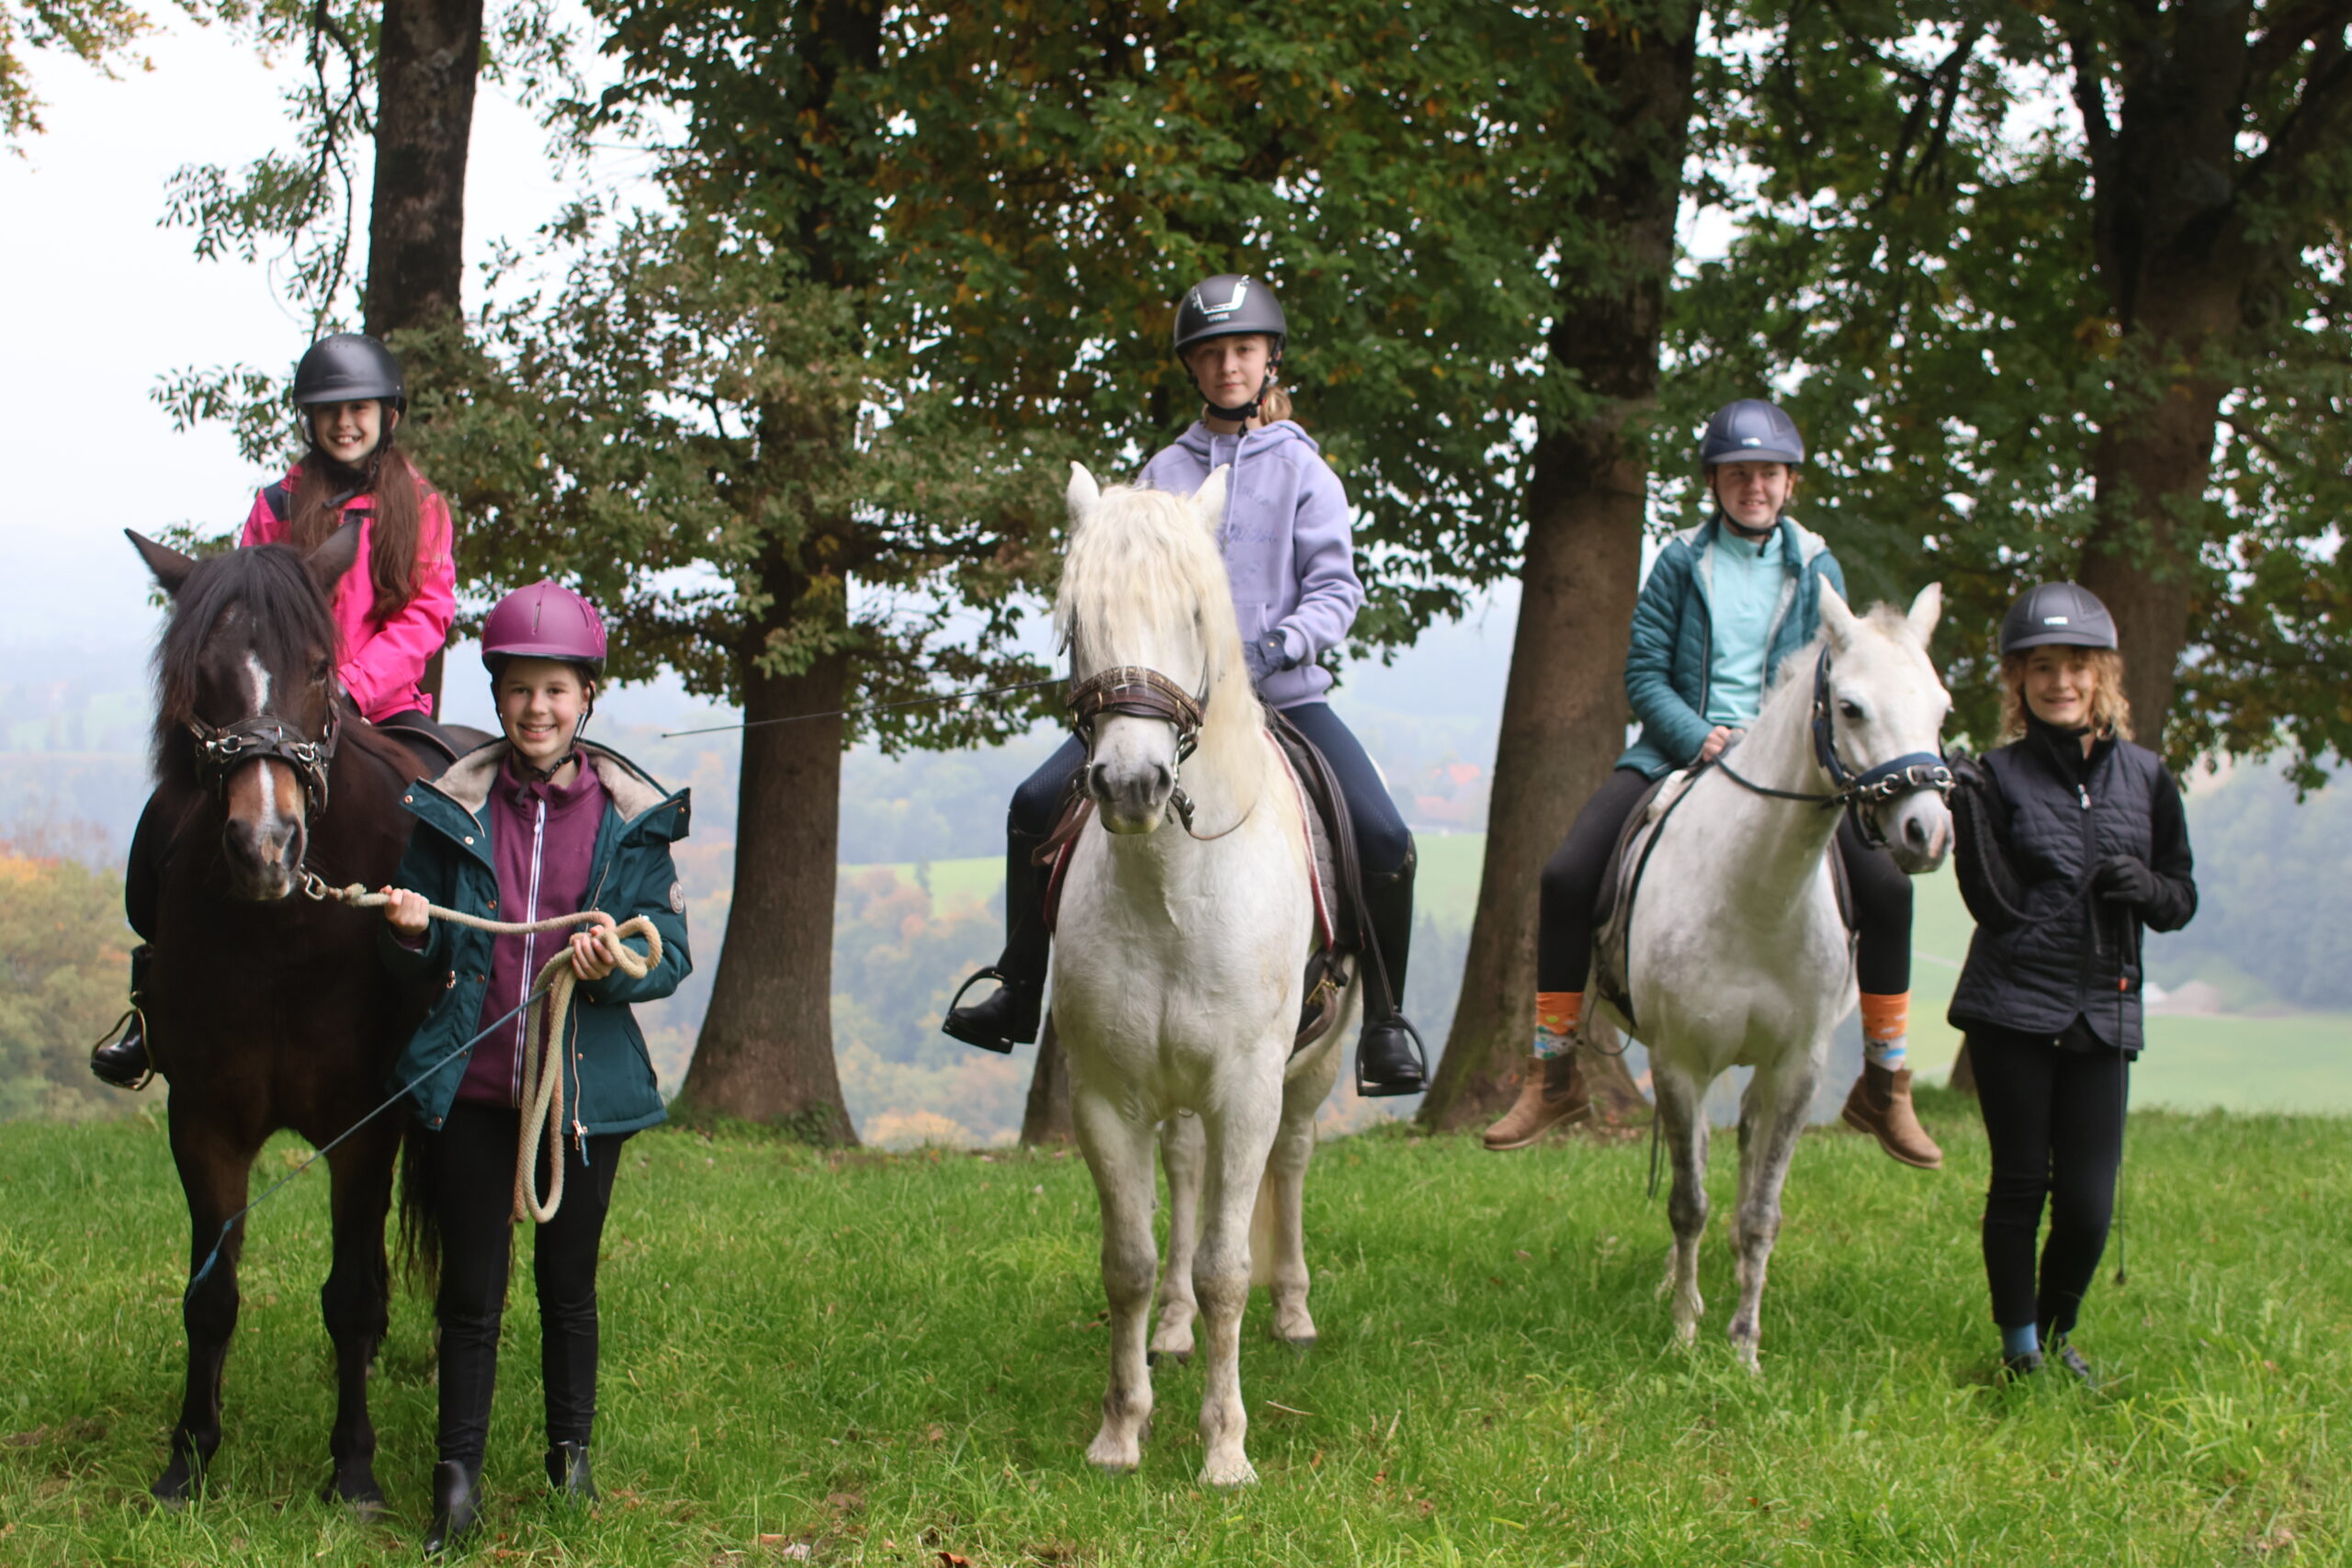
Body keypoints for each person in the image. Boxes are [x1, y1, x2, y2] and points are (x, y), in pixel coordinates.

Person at [942, 272, 1428, 1096]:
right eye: (1210, 354)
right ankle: (1019, 987)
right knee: (1032, 803)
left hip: (1286, 696)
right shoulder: (1161, 470)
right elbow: (1124, 580)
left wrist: (1276, 645)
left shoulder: (1307, 471)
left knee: (1384, 839)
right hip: (1164, 705)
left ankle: (1384, 1023)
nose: (1228, 366)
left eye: (1242, 350)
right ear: (1193, 369)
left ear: (1270, 358)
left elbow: (1337, 589)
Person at [1484, 399, 1938, 1163]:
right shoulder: (1679, 561)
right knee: (1565, 877)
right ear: (1715, 483)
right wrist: (1699, 738)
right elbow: (1643, 673)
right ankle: (1554, 1068)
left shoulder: (1818, 566)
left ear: (1789, 482)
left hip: (1792, 767)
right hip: (1678, 752)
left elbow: (1841, 672)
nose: (1751, 486)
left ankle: (1885, 1084)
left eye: (1766, 473)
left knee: (1889, 890)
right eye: (1736, 474)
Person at [376, 581, 690, 1554]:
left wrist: (609, 968)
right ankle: (455, 1485)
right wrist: (414, 929)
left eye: (556, 689)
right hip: (475, 1088)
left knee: (568, 1284)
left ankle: (570, 1460)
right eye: (519, 688)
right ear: (499, 693)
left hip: (581, 1097)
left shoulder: (628, 819)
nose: (537, 709)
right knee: (469, 1294)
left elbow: (668, 955)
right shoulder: (452, 808)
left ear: (585, 697)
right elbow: (430, 956)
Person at [90, 333, 458, 1089]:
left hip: (384, 708)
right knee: (174, 810)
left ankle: (459, 986)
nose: (345, 424)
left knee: (455, 806)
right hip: (283, 709)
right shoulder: (277, 504)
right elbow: (246, 604)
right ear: (308, 421)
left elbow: (428, 610)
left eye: (358, 409)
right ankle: (156, 994)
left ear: (387, 414)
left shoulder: (421, 507)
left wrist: (354, 682)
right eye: (329, 412)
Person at [1945, 581, 2195, 1382]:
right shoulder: (1995, 775)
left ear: (2102, 676)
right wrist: (1969, 812)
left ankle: (2056, 1333)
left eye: (2075, 666)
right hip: (2012, 1008)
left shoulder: (2150, 778)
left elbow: (2180, 898)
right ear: (2018, 682)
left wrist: (2145, 887)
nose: (2059, 681)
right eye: (2040, 667)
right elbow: (1990, 899)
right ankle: (2021, 1351)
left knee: (2088, 1206)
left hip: (2103, 1013)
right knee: (2022, 1182)